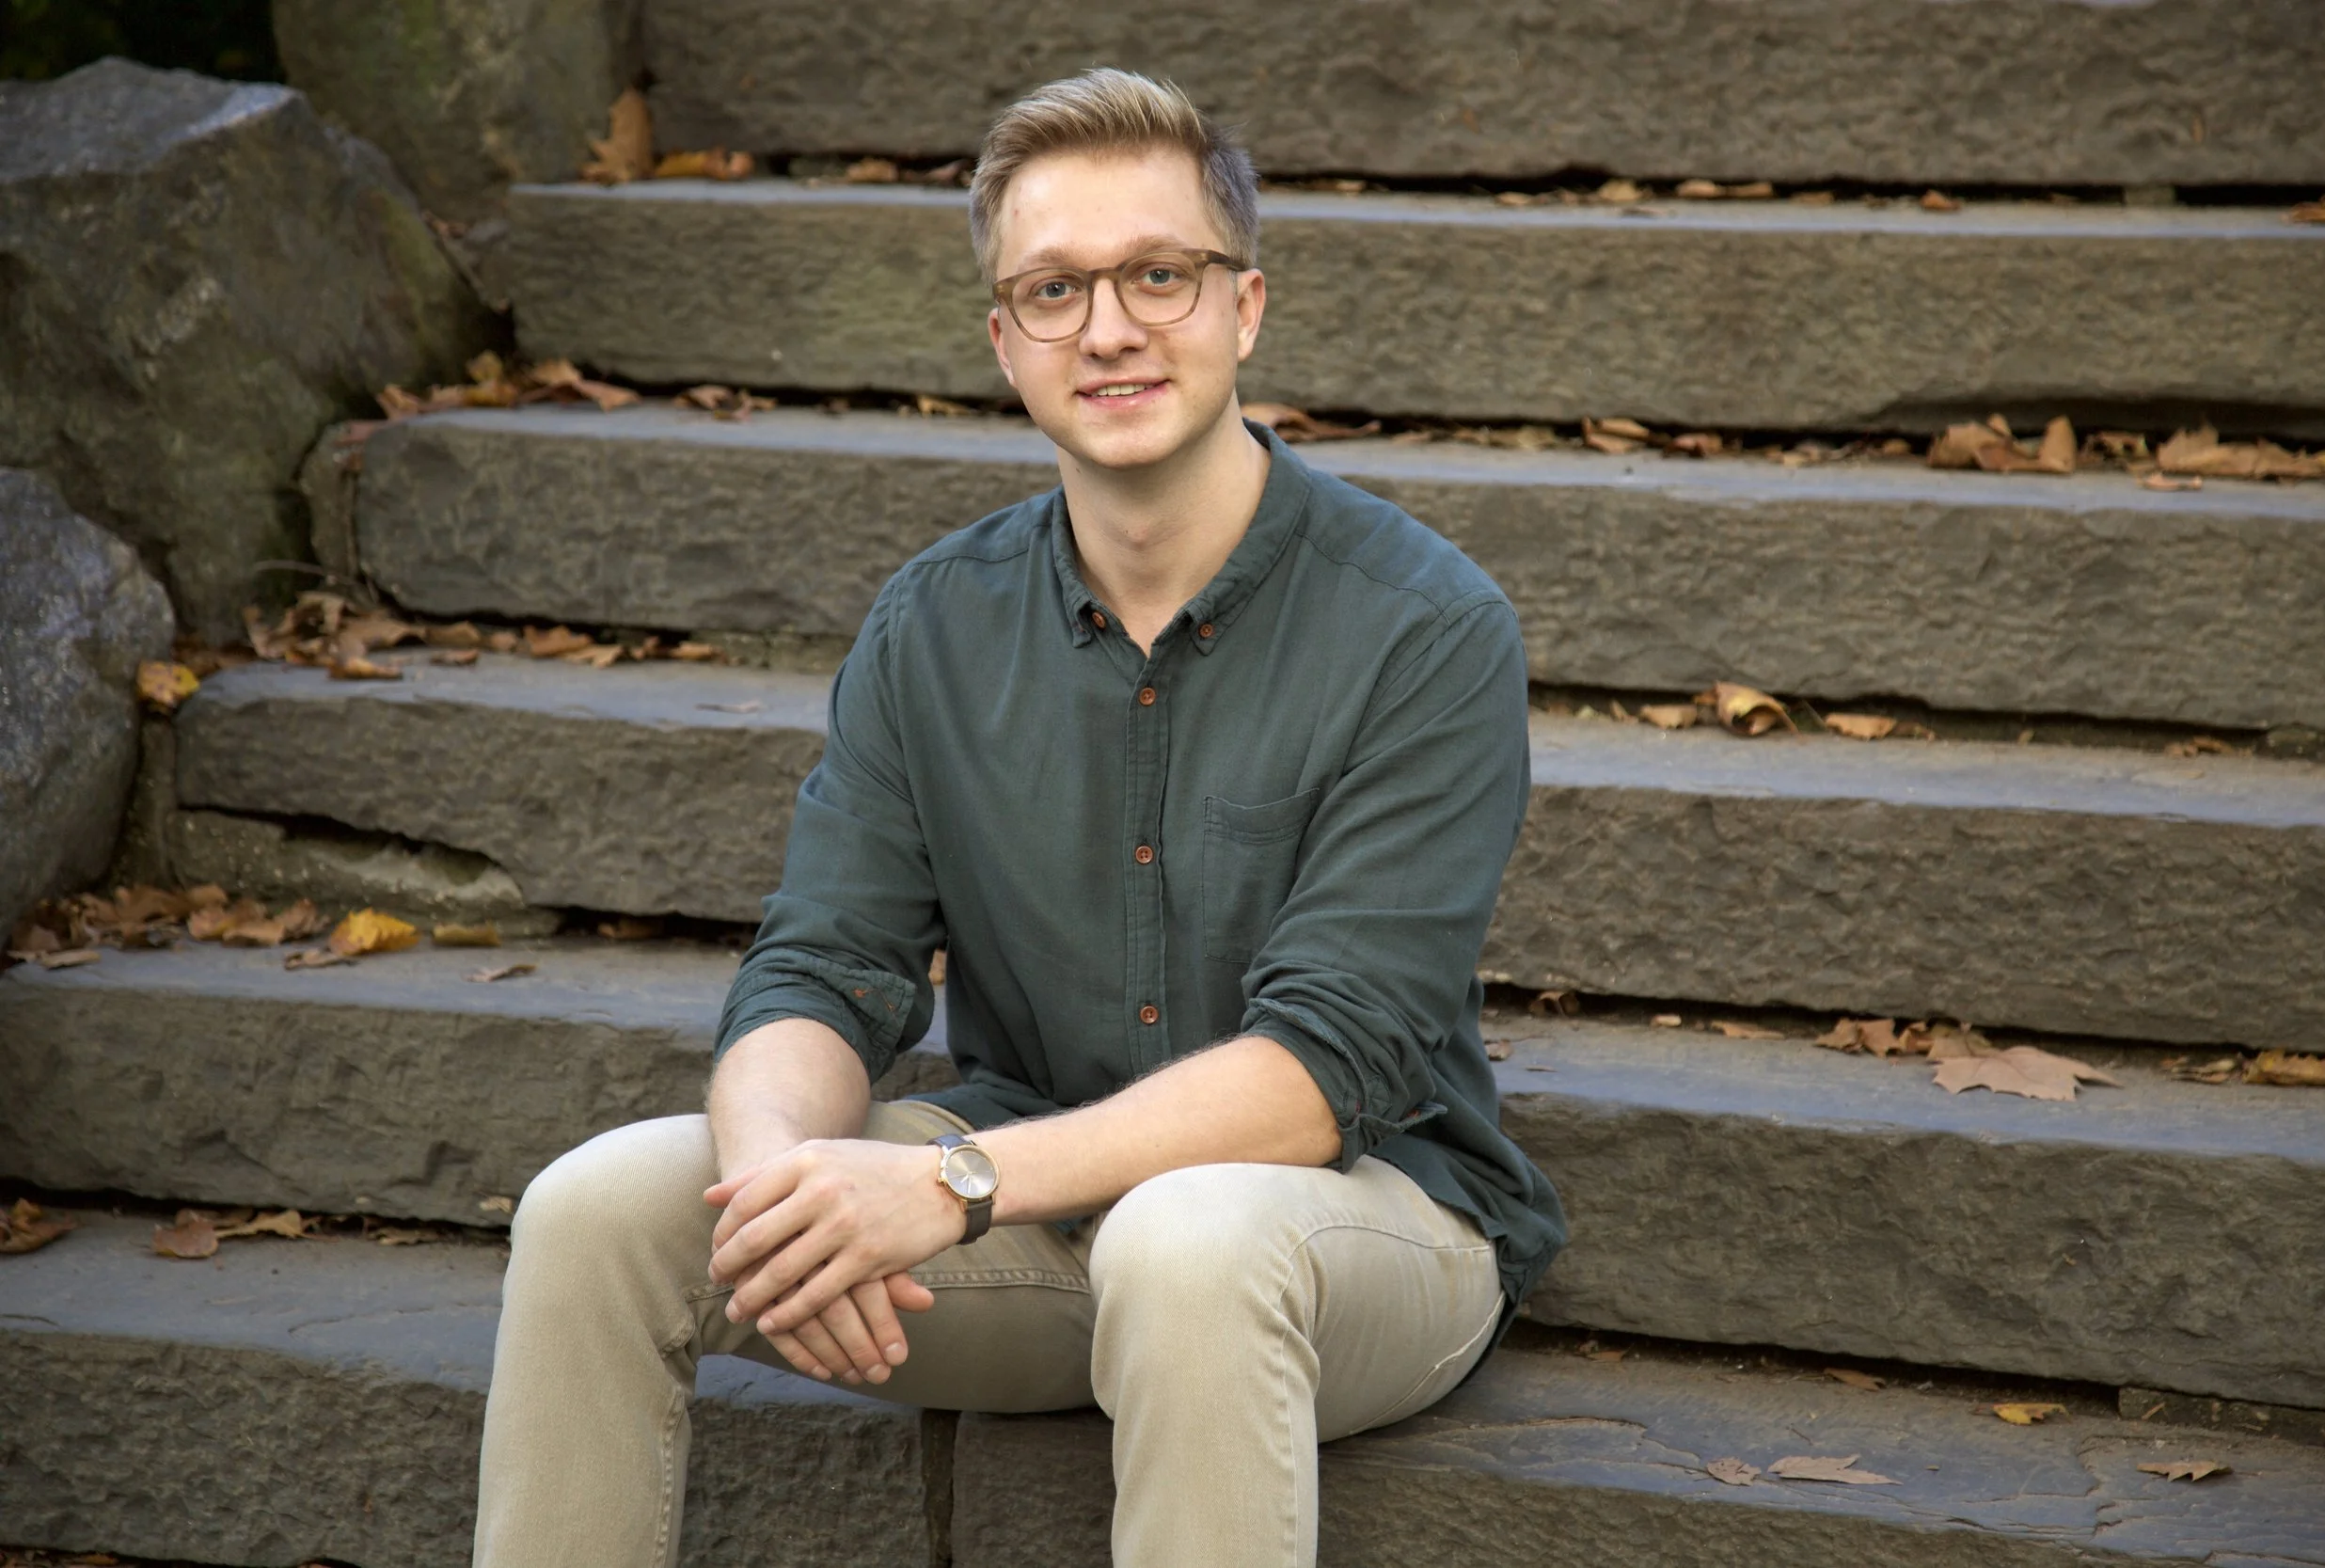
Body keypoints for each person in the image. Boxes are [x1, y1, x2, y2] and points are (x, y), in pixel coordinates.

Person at [472, 67, 1565, 1568]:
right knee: (598, 1209)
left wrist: (944, 1181)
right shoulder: (934, 626)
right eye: (1053, 289)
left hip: (1354, 1219)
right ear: (1005, 343)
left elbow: (1331, 1063)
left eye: (1157, 275)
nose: (1107, 327)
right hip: (1033, 1220)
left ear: (1245, 307)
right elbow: (821, 966)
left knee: (1192, 1242)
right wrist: (788, 1190)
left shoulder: (1425, 626)